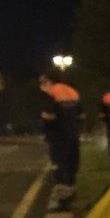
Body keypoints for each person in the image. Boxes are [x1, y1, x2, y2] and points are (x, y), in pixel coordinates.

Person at [39, 72, 83, 207]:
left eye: (43, 82)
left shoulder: (51, 94)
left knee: (59, 167)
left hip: (58, 137)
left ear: (50, 81)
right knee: (71, 166)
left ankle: (64, 201)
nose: (41, 86)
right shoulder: (73, 92)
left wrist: (45, 119)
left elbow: (49, 115)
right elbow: (81, 115)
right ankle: (71, 193)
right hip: (73, 135)